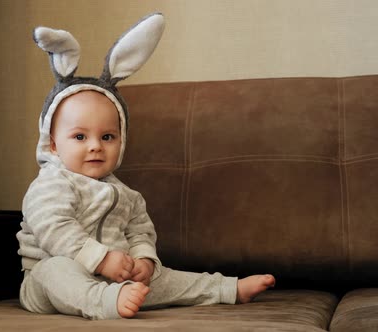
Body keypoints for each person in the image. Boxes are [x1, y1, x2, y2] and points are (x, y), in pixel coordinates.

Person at [16, 13, 275, 320]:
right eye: (80, 136)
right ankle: (102, 301)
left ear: (121, 142)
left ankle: (226, 289)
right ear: (54, 144)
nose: (96, 145)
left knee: (164, 278)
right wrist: (101, 260)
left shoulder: (127, 195)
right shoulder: (51, 184)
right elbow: (54, 230)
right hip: (51, 284)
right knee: (55, 270)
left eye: (108, 136)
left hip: (117, 276)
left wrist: (143, 260)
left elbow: (140, 233)